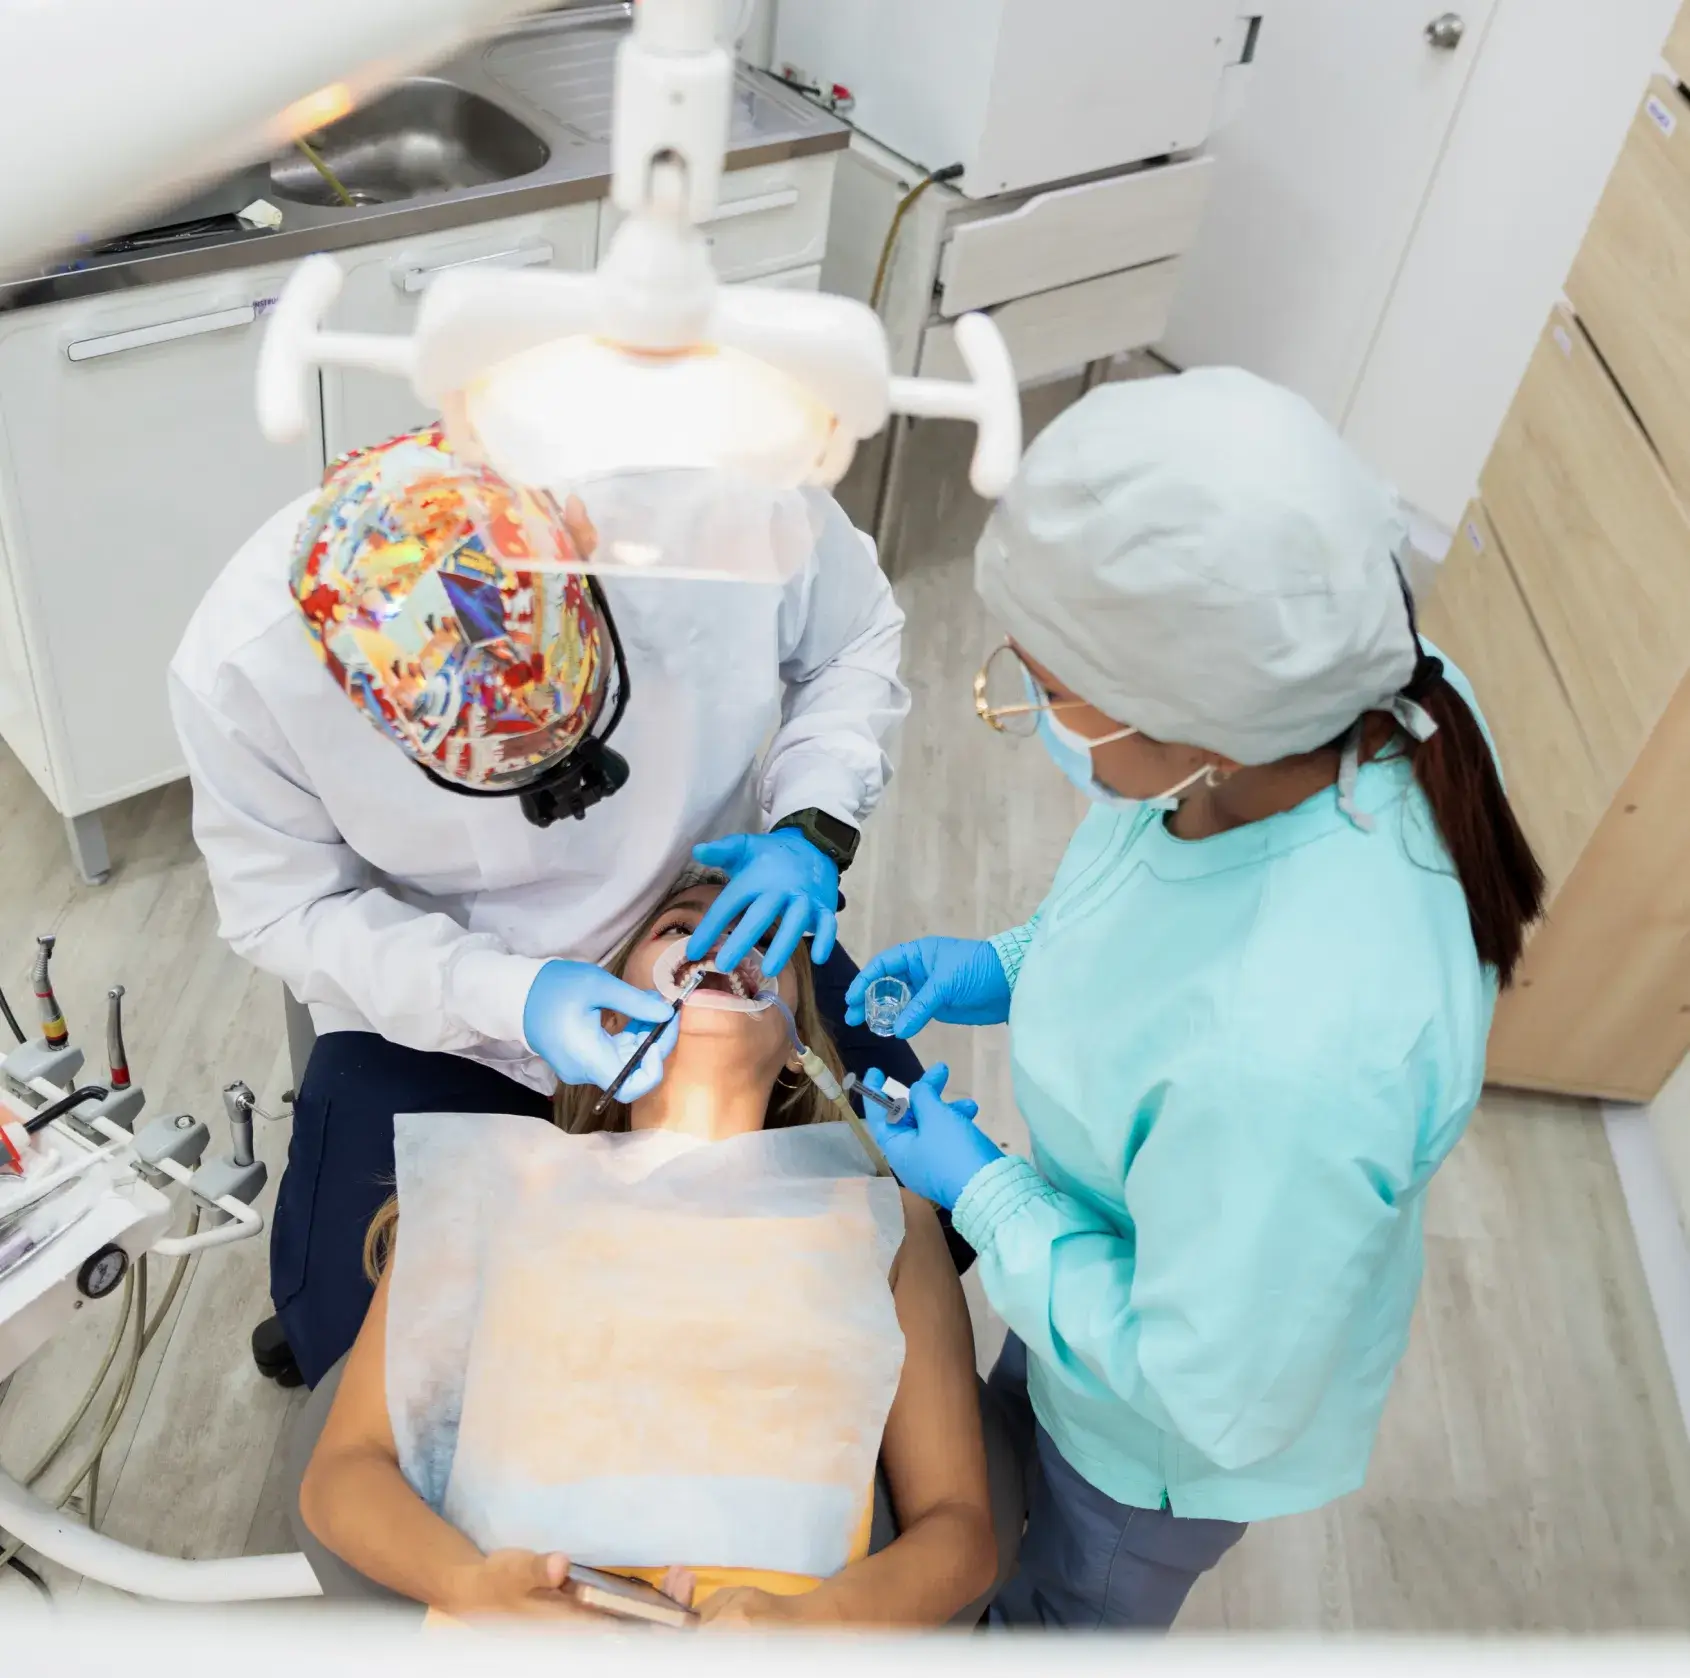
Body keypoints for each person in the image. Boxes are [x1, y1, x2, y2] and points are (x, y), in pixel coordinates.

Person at [845, 369, 1548, 1630]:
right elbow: (1164, 898)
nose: (1035, 702)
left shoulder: (1295, 1050)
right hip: (1115, 1283)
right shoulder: (1347, 696)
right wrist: (1012, 963)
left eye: (1050, 684)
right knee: (1000, 1467)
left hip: (1149, 1451)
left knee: (1059, 1603)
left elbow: (1200, 1387)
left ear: (1187, 721)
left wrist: (989, 1193)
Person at [168, 424, 927, 1391]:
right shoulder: (248, 671)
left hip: (735, 897)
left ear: (575, 541)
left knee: (920, 1223)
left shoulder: (711, 494)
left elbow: (854, 637)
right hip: (446, 1000)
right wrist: (508, 997)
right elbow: (286, 910)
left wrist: (812, 824)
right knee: (347, 1331)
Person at [297, 871, 998, 1628]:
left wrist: (812, 1626)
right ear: (606, 1015)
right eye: (677, 928)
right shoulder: (493, 1188)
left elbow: (960, 1529)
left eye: (762, 940)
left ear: (801, 1046)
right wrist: (472, 1587)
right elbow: (342, 1473)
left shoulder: (887, 1223)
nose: (720, 941)